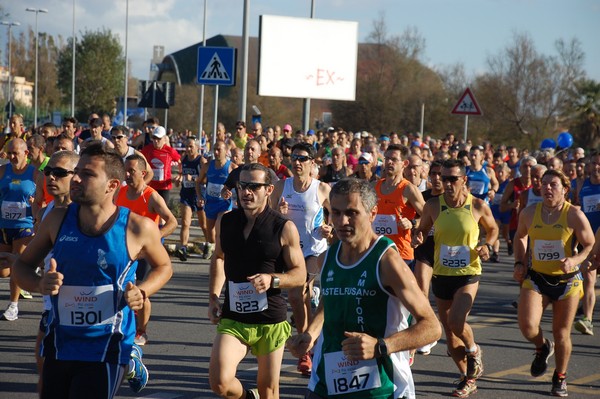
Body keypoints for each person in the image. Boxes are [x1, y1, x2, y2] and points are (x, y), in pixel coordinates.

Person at [12, 143, 173, 398]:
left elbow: (164, 267)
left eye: (87, 174)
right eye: (76, 171)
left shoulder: (137, 227)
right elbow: (22, 266)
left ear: (112, 185)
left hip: (107, 345)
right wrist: (39, 284)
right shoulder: (56, 220)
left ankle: (130, 359)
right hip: (61, 340)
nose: (75, 178)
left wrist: (141, 291)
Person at [287, 178, 441, 399]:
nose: (342, 221)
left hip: (381, 388)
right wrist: (310, 335)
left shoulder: (387, 261)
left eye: (352, 213)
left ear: (372, 213)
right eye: (336, 213)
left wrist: (381, 346)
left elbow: (432, 327)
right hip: (326, 380)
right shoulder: (328, 256)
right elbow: (330, 301)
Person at [208, 163, 306, 399]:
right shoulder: (226, 221)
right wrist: (213, 297)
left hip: (269, 320)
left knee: (268, 391)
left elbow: (299, 274)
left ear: (269, 190)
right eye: (242, 186)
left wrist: (272, 280)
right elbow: (219, 258)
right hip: (235, 317)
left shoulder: (283, 227)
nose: (246, 192)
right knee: (219, 382)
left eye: (254, 186)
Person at [412, 159, 499, 398]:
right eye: (442, 177)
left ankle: (473, 350)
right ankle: (467, 377)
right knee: (449, 333)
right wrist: (417, 236)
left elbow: (493, 229)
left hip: (468, 273)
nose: (445, 182)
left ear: (464, 181)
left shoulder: (478, 206)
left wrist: (487, 245)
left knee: (456, 320)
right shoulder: (432, 205)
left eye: (452, 178)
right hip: (442, 273)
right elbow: (422, 229)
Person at [513, 169, 594, 397]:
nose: (547, 188)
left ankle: (560, 376)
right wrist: (519, 262)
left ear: (565, 189)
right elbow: (520, 235)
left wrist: (575, 259)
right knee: (527, 326)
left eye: (553, 185)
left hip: (567, 281)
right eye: (544, 184)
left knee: (561, 334)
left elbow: (589, 244)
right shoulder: (529, 213)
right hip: (537, 277)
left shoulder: (574, 215)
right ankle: (541, 347)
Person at [270, 142, 333, 376]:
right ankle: (309, 342)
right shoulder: (281, 186)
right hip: (289, 250)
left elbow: (336, 213)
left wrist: (330, 228)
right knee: (299, 299)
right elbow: (267, 216)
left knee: (297, 293)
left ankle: (305, 348)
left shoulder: (322, 189)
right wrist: (279, 214)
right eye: (294, 157)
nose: (297, 162)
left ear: (312, 164)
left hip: (314, 251)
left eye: (303, 158)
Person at [116, 153, 177, 346]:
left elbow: (172, 221)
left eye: (131, 171)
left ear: (143, 173)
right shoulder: (120, 193)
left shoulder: (151, 196)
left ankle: (141, 331)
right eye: (125, 170)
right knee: (122, 288)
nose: (126, 174)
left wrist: (153, 239)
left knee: (141, 289)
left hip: (145, 253)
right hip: (124, 250)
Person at [0, 138, 37, 321]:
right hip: (3, 225)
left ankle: (13, 306)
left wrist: (37, 203)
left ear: (26, 154)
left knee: (16, 264)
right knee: (4, 270)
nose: (12, 157)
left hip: (24, 225)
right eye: (10, 153)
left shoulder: (34, 173)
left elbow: (43, 197)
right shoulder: (2, 171)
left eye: (16, 153)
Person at [413, 160, 444, 356]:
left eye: (441, 174)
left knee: (444, 301)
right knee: (422, 289)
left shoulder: (452, 200)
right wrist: (414, 227)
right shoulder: (423, 197)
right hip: (425, 248)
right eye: (433, 173)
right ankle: (426, 333)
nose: (437, 178)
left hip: (447, 252)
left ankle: (442, 330)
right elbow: (414, 220)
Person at [573, 152, 600, 336]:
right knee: (589, 279)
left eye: (599, 164)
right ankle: (587, 319)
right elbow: (577, 211)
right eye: (594, 164)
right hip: (588, 240)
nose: (596, 167)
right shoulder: (582, 185)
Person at [199, 140, 235, 259]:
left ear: (226, 151)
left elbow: (239, 185)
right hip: (211, 203)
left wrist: (232, 194)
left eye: (219, 149)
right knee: (211, 232)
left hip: (224, 204)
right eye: (215, 149)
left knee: (220, 228)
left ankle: (221, 254)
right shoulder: (208, 166)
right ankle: (212, 247)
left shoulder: (231, 167)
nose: (216, 152)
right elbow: (198, 182)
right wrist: (200, 196)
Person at [176, 138, 209, 262]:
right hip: (186, 194)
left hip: (199, 194)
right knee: (185, 223)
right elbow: (182, 174)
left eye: (191, 146)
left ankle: (208, 245)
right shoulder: (184, 158)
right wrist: (179, 179)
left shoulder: (201, 160)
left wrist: (193, 178)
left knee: (204, 225)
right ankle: (183, 248)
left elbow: (206, 180)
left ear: (197, 147)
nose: (188, 149)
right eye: (187, 147)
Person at [140, 126, 182, 203]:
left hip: (164, 187)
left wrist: (180, 175)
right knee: (149, 211)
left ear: (164, 139)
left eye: (158, 139)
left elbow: (180, 161)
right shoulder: (147, 149)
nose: (156, 141)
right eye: (154, 138)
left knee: (163, 211)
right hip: (150, 186)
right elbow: (139, 161)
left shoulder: (170, 151)